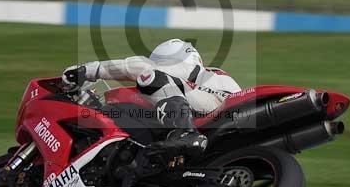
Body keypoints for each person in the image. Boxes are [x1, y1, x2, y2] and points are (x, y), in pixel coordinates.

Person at [62, 39, 241, 157]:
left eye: (158, 61)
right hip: (227, 126)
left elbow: (138, 67)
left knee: (150, 77)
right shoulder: (214, 77)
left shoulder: (194, 72)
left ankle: (186, 132)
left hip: (215, 115)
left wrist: (88, 70)